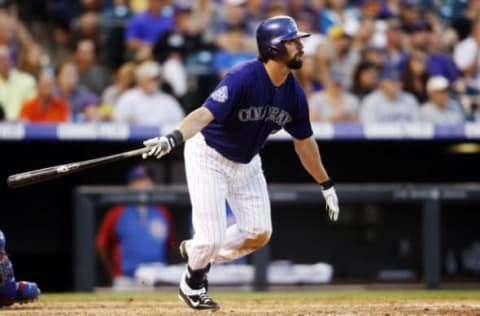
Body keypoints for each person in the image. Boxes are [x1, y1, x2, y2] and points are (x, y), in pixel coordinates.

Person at [141, 15, 340, 311]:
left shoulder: (294, 93)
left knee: (259, 233)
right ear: (274, 48)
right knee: (211, 238)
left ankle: (196, 251)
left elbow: (304, 142)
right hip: (208, 154)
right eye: (293, 41)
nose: (301, 46)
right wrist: (173, 137)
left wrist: (326, 183)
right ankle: (193, 282)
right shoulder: (243, 77)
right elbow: (203, 114)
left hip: (246, 163)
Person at [96, 165, 176, 289]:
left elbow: (170, 245)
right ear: (131, 184)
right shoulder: (117, 212)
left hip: (156, 276)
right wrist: (113, 272)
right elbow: (102, 245)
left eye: (149, 179)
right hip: (126, 278)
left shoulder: (162, 211)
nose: (146, 183)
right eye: (140, 180)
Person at [0, 229, 40, 307]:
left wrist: (17, 293)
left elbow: (8, 299)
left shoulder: (5, 267)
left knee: (30, 290)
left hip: (6, 292)